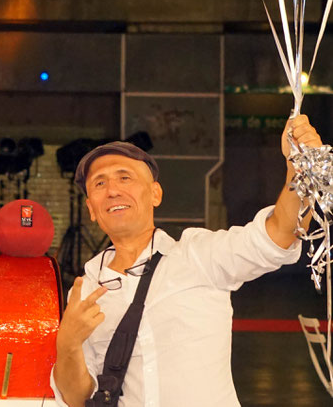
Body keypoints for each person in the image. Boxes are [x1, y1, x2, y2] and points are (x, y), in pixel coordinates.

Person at [51, 116, 322, 407]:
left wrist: (300, 167)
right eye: (99, 183)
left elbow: (280, 232)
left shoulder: (199, 255)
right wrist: (67, 344)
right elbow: (76, 397)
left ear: (155, 194)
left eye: (124, 177)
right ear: (92, 208)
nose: (112, 190)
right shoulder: (86, 290)